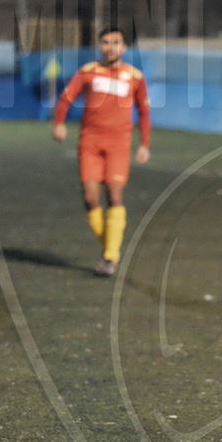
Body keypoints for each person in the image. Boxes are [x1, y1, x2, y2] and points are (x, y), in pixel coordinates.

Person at [53, 27, 151, 277]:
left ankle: (110, 256)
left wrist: (144, 144)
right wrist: (60, 123)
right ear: (100, 46)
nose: (110, 47)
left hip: (119, 143)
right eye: (106, 42)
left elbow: (144, 111)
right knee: (90, 197)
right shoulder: (88, 72)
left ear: (124, 47)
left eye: (116, 42)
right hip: (91, 142)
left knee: (115, 195)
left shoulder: (135, 77)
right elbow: (65, 98)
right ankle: (111, 245)